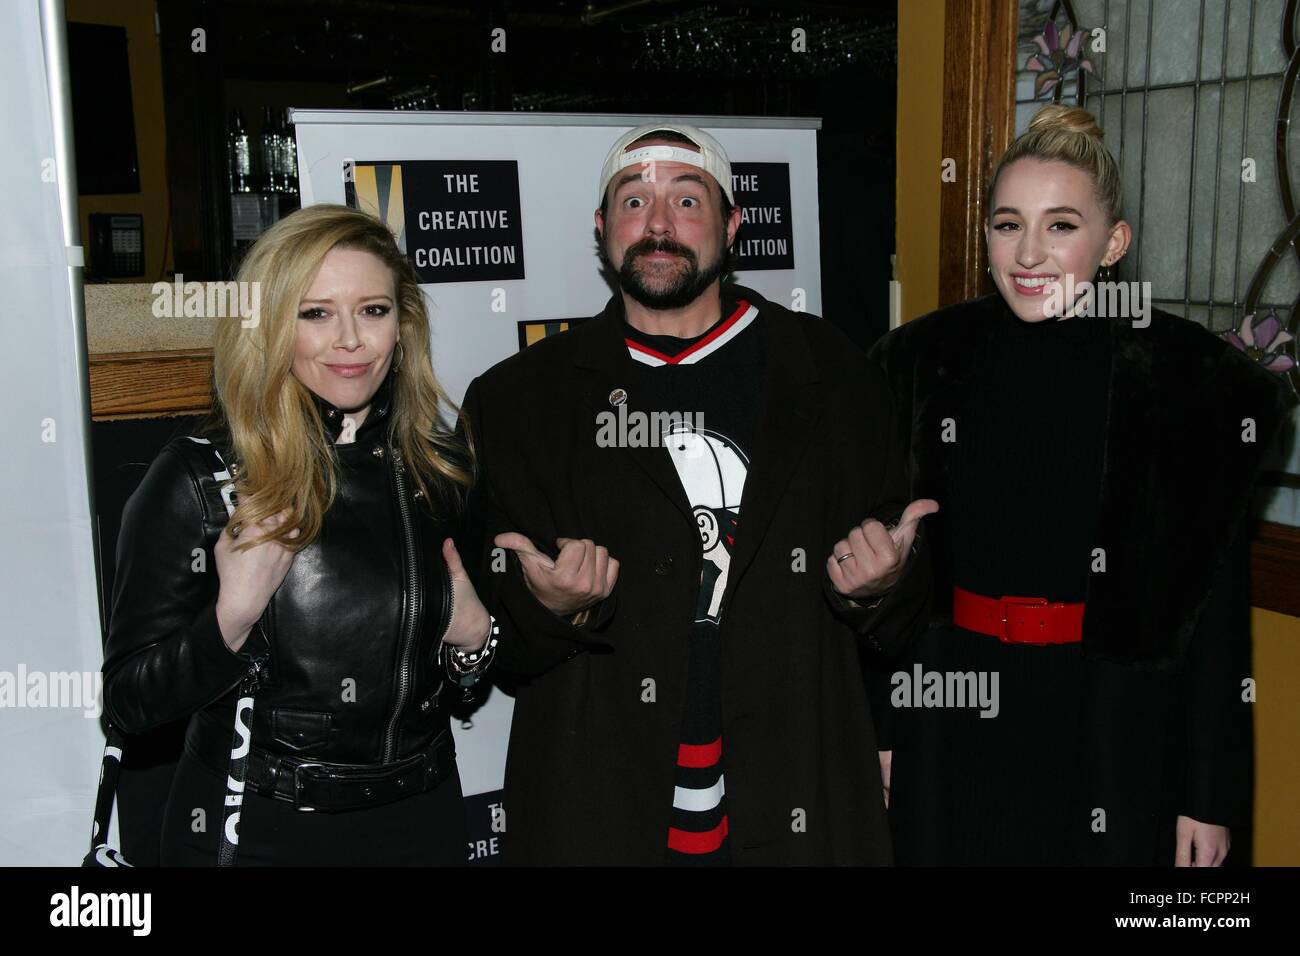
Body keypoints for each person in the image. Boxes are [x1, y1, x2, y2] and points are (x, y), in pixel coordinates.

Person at [457, 123, 935, 865]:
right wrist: (543, 607)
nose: (657, 224)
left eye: (686, 200)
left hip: (792, 795)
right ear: (601, 228)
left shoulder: (834, 374)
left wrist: (884, 585)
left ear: (732, 225)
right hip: (603, 804)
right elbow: (491, 637)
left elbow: (899, 607)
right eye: (633, 201)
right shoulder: (519, 400)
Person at [869, 105, 1297, 866]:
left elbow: (1214, 616)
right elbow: (894, 585)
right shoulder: (922, 364)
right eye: (1007, 224)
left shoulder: (1185, 383)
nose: (1029, 253)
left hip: (1114, 722)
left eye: (1061, 226)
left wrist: (1207, 793)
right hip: (952, 713)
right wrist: (884, 732)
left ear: (1114, 243)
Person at [102, 204, 494, 866]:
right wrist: (230, 617)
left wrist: (475, 643)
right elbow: (130, 702)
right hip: (261, 830)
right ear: (273, 326)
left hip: (422, 818)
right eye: (315, 313)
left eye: (373, 310)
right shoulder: (205, 476)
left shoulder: (437, 464)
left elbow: (453, 682)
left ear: (403, 327)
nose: (351, 340)